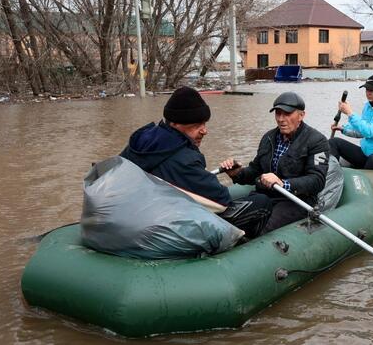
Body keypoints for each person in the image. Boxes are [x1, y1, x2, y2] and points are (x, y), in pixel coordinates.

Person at [120, 86, 271, 238]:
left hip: (136, 216)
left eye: (204, 123)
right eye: (196, 125)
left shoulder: (141, 140)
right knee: (261, 203)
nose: (204, 131)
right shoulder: (184, 158)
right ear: (175, 124)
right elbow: (220, 200)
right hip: (165, 226)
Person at [222, 92, 329, 233]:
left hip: (295, 200)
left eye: (287, 114)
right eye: (278, 114)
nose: (281, 119)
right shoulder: (268, 138)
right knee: (231, 221)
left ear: (301, 115)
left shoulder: (317, 141)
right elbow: (256, 170)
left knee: (264, 229)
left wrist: (283, 183)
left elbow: (317, 180)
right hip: (265, 196)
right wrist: (237, 173)